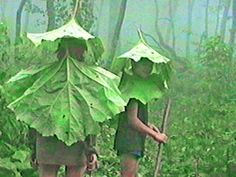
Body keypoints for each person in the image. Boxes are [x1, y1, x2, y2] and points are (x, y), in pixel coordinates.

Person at [32, 38, 99, 177]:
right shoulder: (46, 76)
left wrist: (92, 149)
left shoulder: (85, 79)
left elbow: (90, 116)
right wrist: (33, 147)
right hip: (49, 139)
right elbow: (34, 113)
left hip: (76, 140)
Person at [114, 58, 168, 177]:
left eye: (150, 64)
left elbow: (136, 116)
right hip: (129, 140)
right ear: (133, 64)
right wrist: (155, 135)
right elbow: (132, 120)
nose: (147, 68)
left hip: (135, 140)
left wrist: (148, 125)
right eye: (143, 64)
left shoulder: (140, 86)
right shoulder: (132, 86)